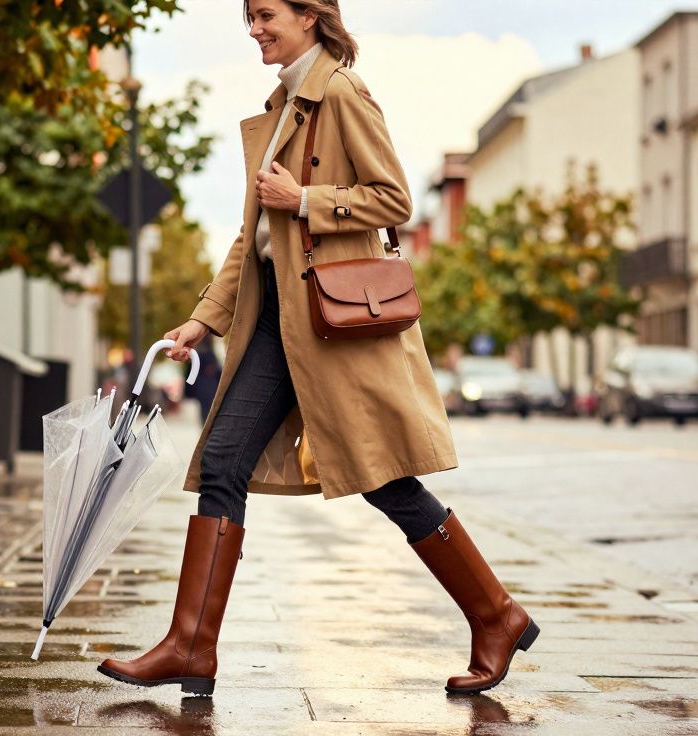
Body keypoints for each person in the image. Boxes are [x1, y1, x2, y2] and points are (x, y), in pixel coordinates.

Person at [98, 0, 538, 697]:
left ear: (310, 15)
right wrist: (203, 320)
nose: (255, 30)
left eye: (266, 14)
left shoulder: (340, 92)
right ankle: (190, 646)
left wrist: (307, 199)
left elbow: (393, 198)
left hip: (331, 323)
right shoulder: (283, 107)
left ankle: (497, 614)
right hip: (276, 319)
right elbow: (254, 237)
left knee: (384, 477)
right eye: (249, 18)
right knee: (222, 462)